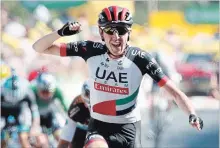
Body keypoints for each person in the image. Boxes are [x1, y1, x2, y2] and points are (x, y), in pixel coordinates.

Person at [33, 6, 204, 148]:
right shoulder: (91, 49)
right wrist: (61, 32)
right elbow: (39, 47)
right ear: (102, 33)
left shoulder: (140, 58)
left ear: (128, 33)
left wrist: (192, 114)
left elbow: (174, 92)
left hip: (128, 129)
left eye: (121, 31)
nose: (116, 37)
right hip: (98, 126)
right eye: (110, 31)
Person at [1, 73, 41, 148]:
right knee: (2, 138)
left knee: (23, 137)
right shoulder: (1, 92)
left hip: (21, 113)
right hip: (4, 113)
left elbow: (34, 111)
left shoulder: (27, 92)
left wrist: (35, 126)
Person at [30, 72, 68, 145]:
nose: (45, 95)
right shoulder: (31, 90)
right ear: (37, 89)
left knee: (60, 137)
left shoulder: (58, 91)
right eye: (43, 92)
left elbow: (66, 108)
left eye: (48, 92)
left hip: (49, 114)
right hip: (33, 117)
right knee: (40, 141)